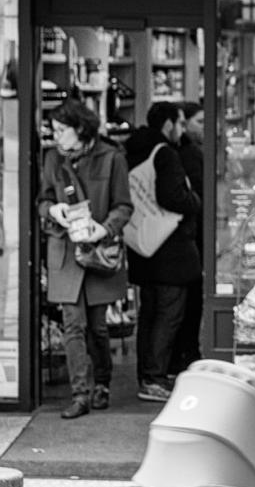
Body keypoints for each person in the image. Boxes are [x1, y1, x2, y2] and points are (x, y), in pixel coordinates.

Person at [37, 99, 132, 420]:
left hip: (97, 251)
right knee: (72, 324)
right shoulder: (52, 159)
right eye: (54, 130)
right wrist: (53, 210)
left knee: (97, 327)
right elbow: (42, 199)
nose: (56, 136)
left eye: (62, 130)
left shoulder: (111, 158)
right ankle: (80, 394)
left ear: (81, 129)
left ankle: (102, 382)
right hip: (64, 250)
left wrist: (102, 229)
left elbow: (124, 206)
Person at [123, 102, 202, 403]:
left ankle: (146, 375)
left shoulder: (133, 149)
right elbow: (173, 197)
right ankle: (154, 378)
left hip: (144, 247)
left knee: (149, 314)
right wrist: (195, 199)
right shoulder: (165, 154)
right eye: (180, 124)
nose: (182, 131)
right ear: (168, 125)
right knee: (169, 315)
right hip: (171, 252)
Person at [171, 100, 206, 375]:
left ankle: (182, 357)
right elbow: (196, 199)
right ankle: (186, 356)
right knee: (185, 304)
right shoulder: (189, 155)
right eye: (198, 122)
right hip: (187, 240)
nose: (202, 128)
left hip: (187, 240)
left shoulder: (188, 152)